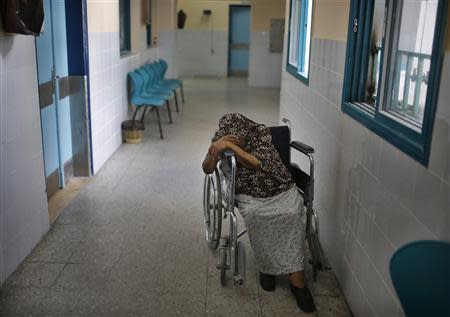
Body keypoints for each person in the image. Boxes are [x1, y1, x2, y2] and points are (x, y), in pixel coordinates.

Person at [202, 113, 316, 313]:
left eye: (240, 139)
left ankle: (296, 279)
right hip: (249, 195)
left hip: (280, 189)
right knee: (256, 216)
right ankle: (267, 269)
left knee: (291, 213)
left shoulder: (261, 135)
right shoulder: (221, 139)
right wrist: (217, 148)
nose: (238, 141)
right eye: (231, 139)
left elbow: (255, 163)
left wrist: (232, 147)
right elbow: (207, 169)